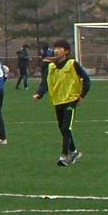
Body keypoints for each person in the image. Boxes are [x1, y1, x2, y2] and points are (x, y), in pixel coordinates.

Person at [37, 38, 91, 166]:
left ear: (66, 51)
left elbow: (86, 79)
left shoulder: (72, 64)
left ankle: (64, 156)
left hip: (71, 100)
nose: (56, 51)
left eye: (59, 48)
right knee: (62, 128)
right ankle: (74, 151)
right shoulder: (51, 67)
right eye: (55, 48)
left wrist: (82, 95)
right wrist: (39, 94)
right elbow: (45, 82)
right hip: (57, 100)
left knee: (66, 128)